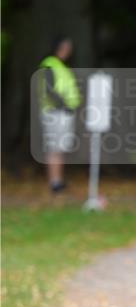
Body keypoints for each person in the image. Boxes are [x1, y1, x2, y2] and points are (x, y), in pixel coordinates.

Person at [38, 36, 81, 193]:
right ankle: (54, 182)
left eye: (69, 49)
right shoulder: (49, 64)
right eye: (64, 48)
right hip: (54, 112)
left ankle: (58, 180)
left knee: (60, 148)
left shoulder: (63, 67)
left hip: (64, 113)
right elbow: (49, 90)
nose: (66, 51)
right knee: (54, 148)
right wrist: (63, 105)